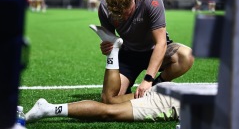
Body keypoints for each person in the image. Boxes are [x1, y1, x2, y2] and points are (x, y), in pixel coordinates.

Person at [25, 25, 180, 123]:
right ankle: (48, 109)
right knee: (109, 110)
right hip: (174, 101)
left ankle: (113, 51)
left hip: (173, 92)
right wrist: (148, 79)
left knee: (110, 101)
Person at [98, 0, 194, 103]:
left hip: (154, 50)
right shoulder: (104, 6)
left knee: (187, 55)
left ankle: (156, 86)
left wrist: (148, 79)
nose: (124, 17)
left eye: (127, 12)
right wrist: (107, 46)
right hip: (128, 54)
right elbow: (111, 39)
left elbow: (161, 43)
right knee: (109, 99)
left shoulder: (151, 0)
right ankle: (146, 93)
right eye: (119, 16)